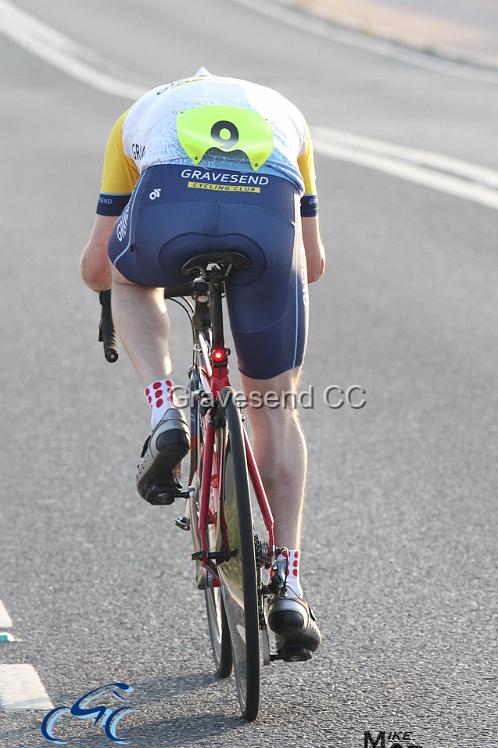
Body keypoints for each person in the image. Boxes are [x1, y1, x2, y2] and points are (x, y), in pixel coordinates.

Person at [81, 68, 325, 655]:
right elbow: (312, 262)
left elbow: (96, 267)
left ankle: (167, 412)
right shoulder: (284, 110)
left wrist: (128, 282)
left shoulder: (137, 116)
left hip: (173, 212)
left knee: (127, 279)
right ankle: (288, 580)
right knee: (275, 409)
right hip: (265, 223)